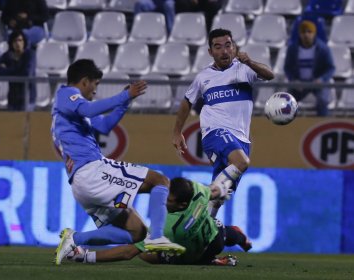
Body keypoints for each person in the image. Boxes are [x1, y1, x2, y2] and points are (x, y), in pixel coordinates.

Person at [52, 59, 187, 265]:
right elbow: (88, 110)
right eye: (95, 85)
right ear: (85, 81)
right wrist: (125, 94)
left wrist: (126, 102)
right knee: (160, 180)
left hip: (83, 185)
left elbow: (105, 125)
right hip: (93, 172)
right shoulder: (66, 95)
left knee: (136, 232)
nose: (95, 91)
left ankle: (75, 240)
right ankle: (157, 237)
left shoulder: (72, 112)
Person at [172, 28, 274, 216]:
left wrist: (249, 61)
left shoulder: (245, 69)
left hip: (241, 139)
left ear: (234, 48)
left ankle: (198, 228)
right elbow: (187, 101)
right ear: (211, 52)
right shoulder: (203, 77)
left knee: (218, 200)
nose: (224, 51)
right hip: (215, 132)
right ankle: (198, 195)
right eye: (218, 47)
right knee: (241, 162)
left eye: (228, 45)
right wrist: (177, 132)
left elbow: (270, 75)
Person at [65, 177, 251, 265]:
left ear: (181, 204)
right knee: (225, 232)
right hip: (214, 239)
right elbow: (214, 191)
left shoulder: (167, 228)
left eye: (168, 201)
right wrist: (224, 189)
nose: (162, 202)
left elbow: (128, 252)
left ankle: (211, 260)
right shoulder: (198, 191)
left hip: (195, 251)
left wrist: (87, 257)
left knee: (145, 254)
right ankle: (239, 239)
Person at [284, 20, 335, 117]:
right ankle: (288, 126)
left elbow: (330, 68)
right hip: (299, 83)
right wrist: (293, 80)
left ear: (314, 33)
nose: (306, 35)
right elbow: (287, 68)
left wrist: (322, 79)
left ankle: (323, 124)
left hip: (317, 83)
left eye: (309, 32)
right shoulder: (292, 49)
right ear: (299, 34)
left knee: (323, 101)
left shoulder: (323, 49)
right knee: (287, 101)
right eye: (303, 32)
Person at [0, 29, 35, 111]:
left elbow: (26, 73)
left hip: (27, 97)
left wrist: (7, 69)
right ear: (11, 43)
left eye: (20, 40)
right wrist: (17, 70)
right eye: (15, 41)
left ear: (24, 42)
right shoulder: (7, 55)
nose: (17, 43)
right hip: (12, 98)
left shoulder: (30, 55)